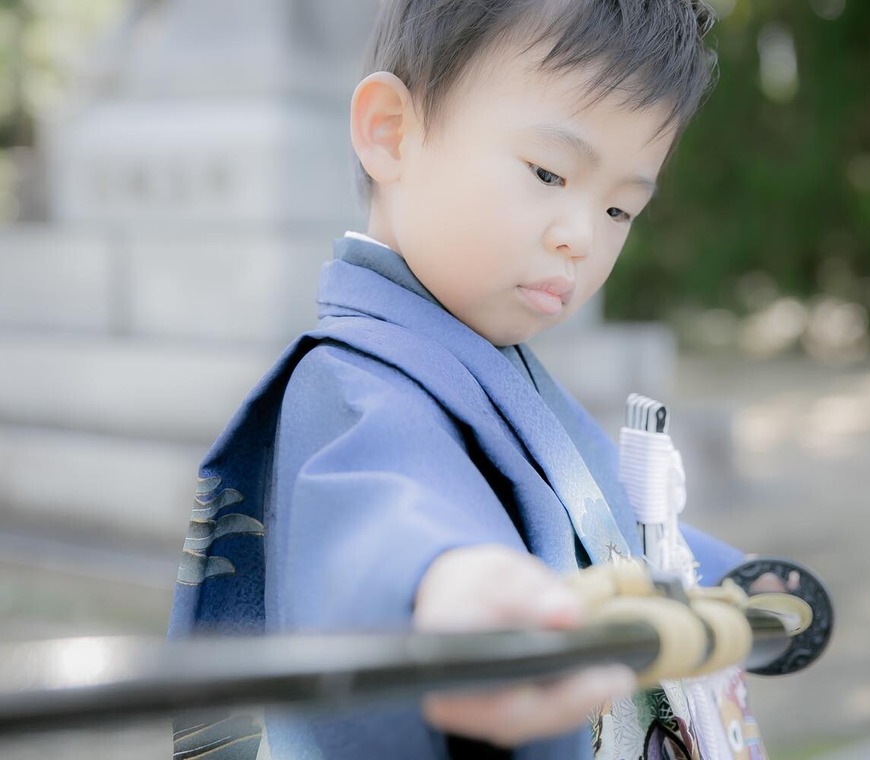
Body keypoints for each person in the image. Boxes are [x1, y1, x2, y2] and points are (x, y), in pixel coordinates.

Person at [169, 1, 771, 757]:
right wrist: (450, 594)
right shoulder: (354, 382)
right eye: (549, 172)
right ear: (392, 131)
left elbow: (621, 532)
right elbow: (383, 520)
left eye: (620, 208)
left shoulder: (499, 368)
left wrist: (746, 585)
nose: (580, 236)